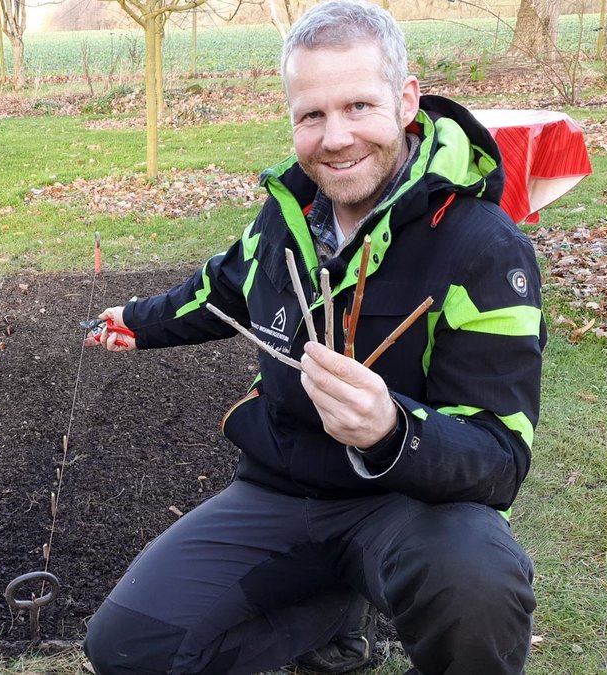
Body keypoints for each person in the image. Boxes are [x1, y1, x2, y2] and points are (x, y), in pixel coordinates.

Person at [81, 2, 545, 674]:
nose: (336, 138)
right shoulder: (288, 215)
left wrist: (393, 429)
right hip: (282, 491)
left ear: (406, 100)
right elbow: (222, 289)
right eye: (312, 116)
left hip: (411, 505)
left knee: (478, 581)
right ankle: (324, 617)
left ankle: (365, 596)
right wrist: (137, 320)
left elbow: (501, 456)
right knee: (126, 647)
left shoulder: (483, 248)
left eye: (359, 106)